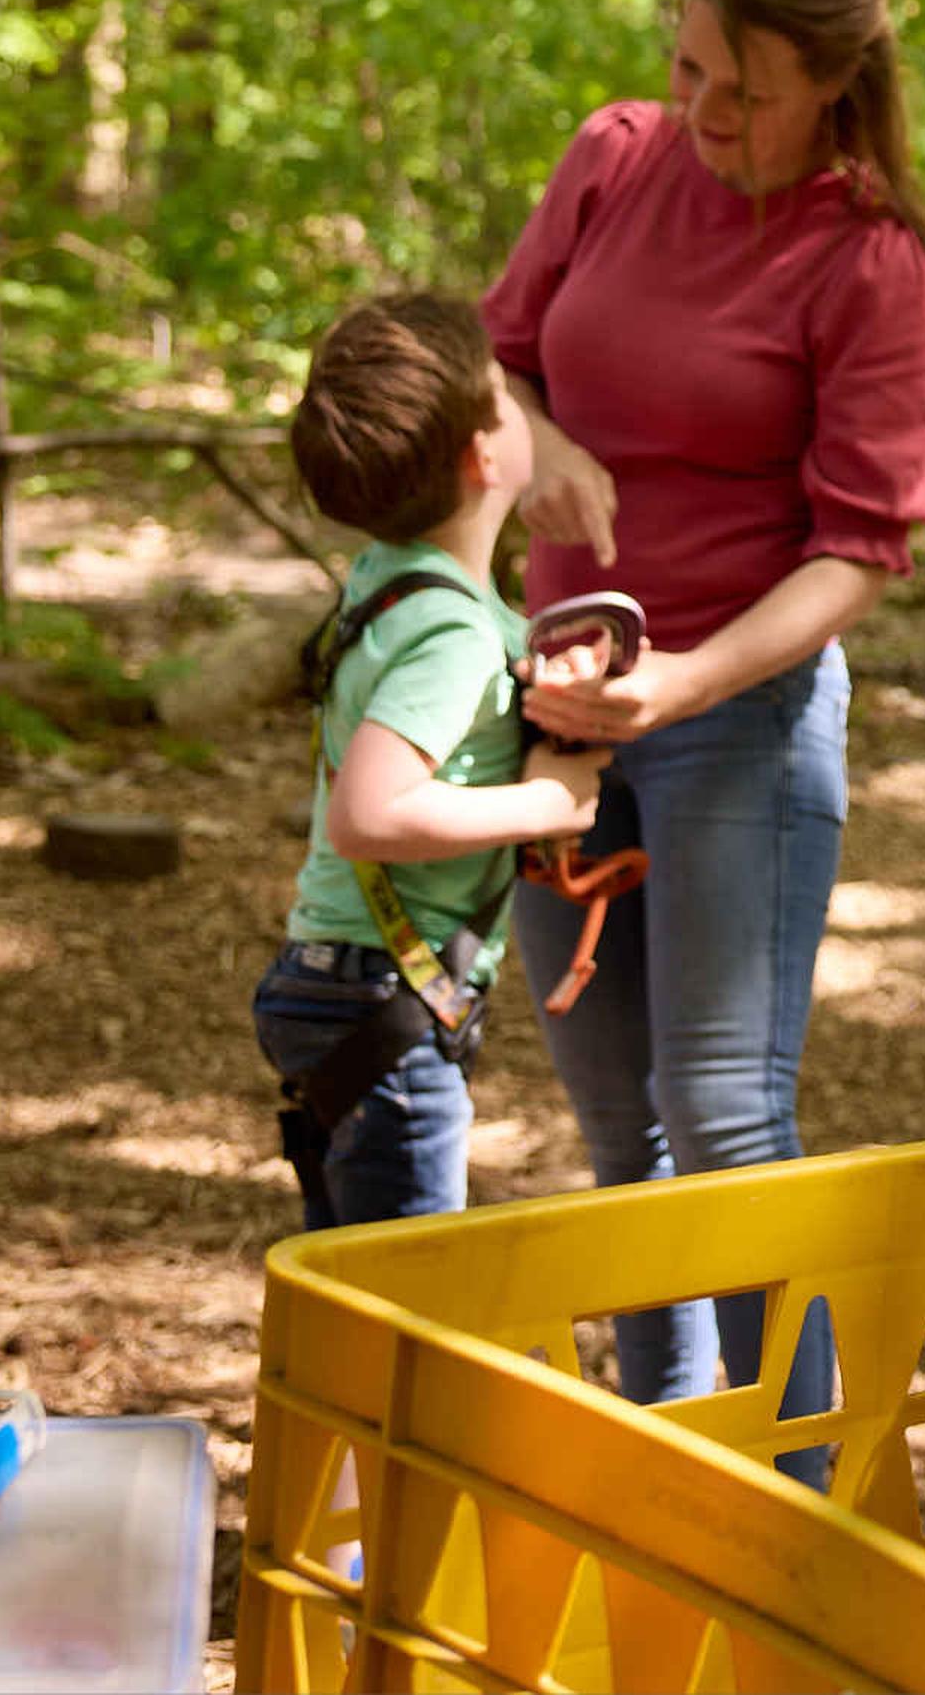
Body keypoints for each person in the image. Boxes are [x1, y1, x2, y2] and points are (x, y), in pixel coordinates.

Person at [483, 0, 925, 1428]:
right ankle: (669, 1471)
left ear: (833, 76)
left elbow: (859, 550)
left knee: (728, 1121)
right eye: (690, 68)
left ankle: (803, 1491)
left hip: (734, 719)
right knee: (623, 1139)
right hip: (557, 709)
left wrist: (681, 685)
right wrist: (539, 443)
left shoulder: (871, 260)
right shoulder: (616, 157)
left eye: (744, 91)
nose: (706, 114)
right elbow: (499, 356)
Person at [256, 292, 609, 1230]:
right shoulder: (452, 629)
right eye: (504, 395)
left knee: (358, 1287)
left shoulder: (396, 585)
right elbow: (370, 814)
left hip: (341, 979)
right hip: (383, 995)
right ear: (486, 454)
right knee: (410, 1305)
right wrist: (547, 803)